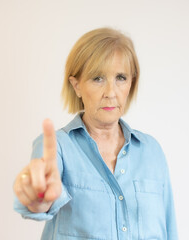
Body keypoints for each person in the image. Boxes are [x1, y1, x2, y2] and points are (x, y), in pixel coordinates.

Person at [13, 27, 178, 240]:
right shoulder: (58, 147)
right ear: (77, 86)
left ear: (131, 83)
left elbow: (169, 228)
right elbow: (40, 201)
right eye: (98, 78)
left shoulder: (152, 151)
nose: (111, 92)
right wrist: (39, 199)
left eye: (121, 77)